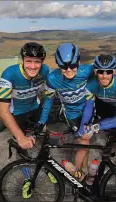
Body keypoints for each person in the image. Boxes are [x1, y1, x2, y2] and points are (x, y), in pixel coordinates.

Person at [0, 42, 55, 199]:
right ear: (22, 59)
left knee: (44, 140)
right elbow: (2, 111)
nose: (33, 66)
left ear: (42, 62)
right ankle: (28, 178)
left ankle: (47, 167)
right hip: (17, 114)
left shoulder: (45, 71)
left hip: (35, 109)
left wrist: (42, 120)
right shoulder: (9, 74)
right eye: (29, 61)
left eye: (37, 62)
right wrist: (21, 137)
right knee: (21, 149)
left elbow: (50, 95)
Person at [38, 43, 94, 173]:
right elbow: (48, 101)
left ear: (79, 62)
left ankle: (84, 170)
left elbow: (102, 68)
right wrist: (42, 121)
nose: (69, 70)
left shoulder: (86, 70)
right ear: (58, 65)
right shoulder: (52, 79)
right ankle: (79, 175)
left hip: (88, 110)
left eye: (73, 66)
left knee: (85, 142)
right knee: (84, 144)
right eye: (63, 67)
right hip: (72, 115)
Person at [77, 54, 116, 165]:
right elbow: (88, 107)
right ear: (96, 71)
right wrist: (84, 125)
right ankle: (111, 152)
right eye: (101, 72)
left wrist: (94, 127)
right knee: (108, 132)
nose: (104, 76)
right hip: (103, 105)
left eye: (109, 72)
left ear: (114, 71)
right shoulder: (91, 84)